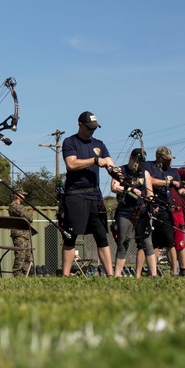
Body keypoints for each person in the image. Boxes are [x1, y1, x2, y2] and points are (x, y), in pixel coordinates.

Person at [60, 111, 116, 276]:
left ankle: (111, 276)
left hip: (95, 197)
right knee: (71, 237)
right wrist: (94, 160)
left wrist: (117, 172)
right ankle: (65, 275)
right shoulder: (70, 142)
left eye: (94, 128)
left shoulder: (99, 144)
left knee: (102, 237)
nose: (92, 131)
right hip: (75, 196)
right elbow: (71, 164)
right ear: (80, 125)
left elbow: (110, 164)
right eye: (89, 128)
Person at [110, 148, 157, 278]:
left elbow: (150, 192)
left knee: (147, 242)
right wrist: (129, 190)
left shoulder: (145, 173)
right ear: (131, 158)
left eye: (141, 162)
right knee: (123, 243)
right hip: (125, 212)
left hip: (142, 212)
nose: (139, 165)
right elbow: (114, 187)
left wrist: (152, 201)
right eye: (137, 161)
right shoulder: (121, 171)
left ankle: (154, 274)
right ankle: (117, 275)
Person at [6, 190, 34, 277]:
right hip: (19, 234)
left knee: (28, 256)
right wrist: (29, 215)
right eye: (23, 195)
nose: (24, 197)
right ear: (17, 196)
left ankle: (25, 273)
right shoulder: (14, 206)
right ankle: (17, 273)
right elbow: (29, 217)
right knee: (20, 255)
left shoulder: (20, 206)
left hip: (25, 233)